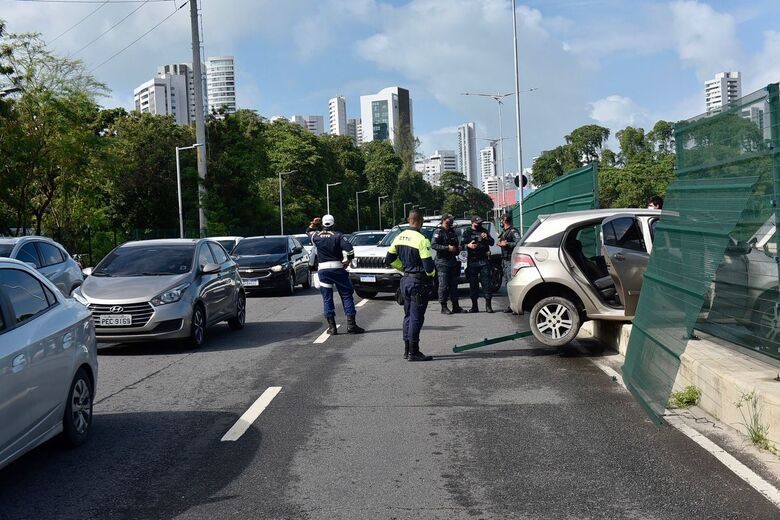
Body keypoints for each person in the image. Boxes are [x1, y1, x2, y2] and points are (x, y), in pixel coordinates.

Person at [385, 209, 435, 361]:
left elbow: (389, 259)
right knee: (416, 318)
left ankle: (407, 350)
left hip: (405, 280)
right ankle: (414, 352)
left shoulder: (398, 237)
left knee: (407, 316)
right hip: (418, 282)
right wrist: (431, 276)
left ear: (409, 220)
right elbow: (428, 267)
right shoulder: (422, 239)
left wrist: (402, 268)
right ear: (421, 221)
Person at [307, 214, 364, 335]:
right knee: (346, 295)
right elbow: (349, 249)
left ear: (322, 224)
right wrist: (348, 261)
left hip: (323, 270)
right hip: (338, 268)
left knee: (327, 298)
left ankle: (332, 328)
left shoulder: (316, 236)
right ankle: (351, 325)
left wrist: (313, 223)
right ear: (334, 224)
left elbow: (308, 231)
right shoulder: (338, 236)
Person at [461, 215, 495, 313]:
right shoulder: (467, 232)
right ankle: (474, 306)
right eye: (477, 223)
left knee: (487, 283)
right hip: (472, 261)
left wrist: (487, 237)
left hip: (484, 260)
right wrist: (468, 245)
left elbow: (492, 242)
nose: (479, 224)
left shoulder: (484, 231)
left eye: (480, 223)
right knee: (473, 284)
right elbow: (461, 244)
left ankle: (488, 306)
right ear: (472, 223)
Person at [430, 214, 463, 314]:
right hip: (442, 262)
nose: (452, 221)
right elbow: (434, 245)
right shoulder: (438, 231)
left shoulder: (452, 231)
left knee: (454, 285)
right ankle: (443, 306)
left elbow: (455, 245)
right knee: (443, 286)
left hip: (452, 261)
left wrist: (458, 249)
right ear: (444, 220)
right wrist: (447, 248)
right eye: (450, 219)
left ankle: (455, 306)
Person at [497, 213, 522, 313]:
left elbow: (519, 242)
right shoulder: (505, 232)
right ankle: (512, 305)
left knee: (511, 284)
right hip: (505, 260)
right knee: (508, 283)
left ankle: (515, 306)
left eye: (501, 220)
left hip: (511, 260)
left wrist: (507, 244)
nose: (501, 222)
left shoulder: (512, 231)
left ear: (505, 220)